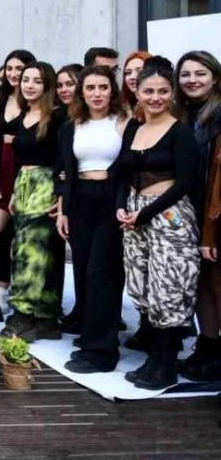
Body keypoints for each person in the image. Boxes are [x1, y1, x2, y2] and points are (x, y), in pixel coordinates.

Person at [115, 56, 200, 390]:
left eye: (163, 91)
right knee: (141, 284)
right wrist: (121, 207)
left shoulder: (180, 133)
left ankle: (165, 365)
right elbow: (123, 172)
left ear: (172, 93)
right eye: (149, 91)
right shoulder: (134, 128)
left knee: (168, 288)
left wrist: (145, 214)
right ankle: (155, 356)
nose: (155, 98)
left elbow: (184, 183)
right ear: (138, 92)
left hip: (169, 217)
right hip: (134, 217)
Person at [58, 67, 129, 374]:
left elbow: (128, 169)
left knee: (103, 272)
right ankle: (91, 338)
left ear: (111, 91)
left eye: (103, 87)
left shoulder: (125, 123)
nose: (97, 93)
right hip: (80, 201)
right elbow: (66, 172)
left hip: (110, 200)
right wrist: (62, 210)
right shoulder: (71, 126)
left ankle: (103, 350)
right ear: (82, 92)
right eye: (90, 87)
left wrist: (122, 205)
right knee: (85, 270)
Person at [0, 61, 66, 341]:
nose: (29, 85)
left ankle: (22, 316)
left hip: (46, 187)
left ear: (47, 85)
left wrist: (61, 196)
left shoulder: (58, 117)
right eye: (25, 80)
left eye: (36, 80)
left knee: (29, 253)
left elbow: (62, 159)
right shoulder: (22, 116)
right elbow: (18, 159)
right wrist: (13, 194)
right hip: (23, 185)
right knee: (32, 251)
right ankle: (46, 317)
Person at [176, 51, 221, 381]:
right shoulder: (182, 115)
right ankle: (207, 345)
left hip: (214, 211)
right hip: (189, 211)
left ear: (215, 77)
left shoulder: (218, 116)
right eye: (185, 74)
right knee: (201, 283)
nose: (192, 79)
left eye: (200, 73)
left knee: (217, 283)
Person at [0, 49, 36, 315]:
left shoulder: (35, 101)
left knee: (17, 236)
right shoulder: (2, 100)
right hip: (0, 171)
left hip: (26, 171)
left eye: (20, 69)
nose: (14, 73)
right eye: (10, 68)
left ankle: (13, 292)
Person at [122, 51, 152, 120]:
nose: (133, 77)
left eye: (139, 71)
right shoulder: (123, 107)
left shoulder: (161, 105)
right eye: (128, 73)